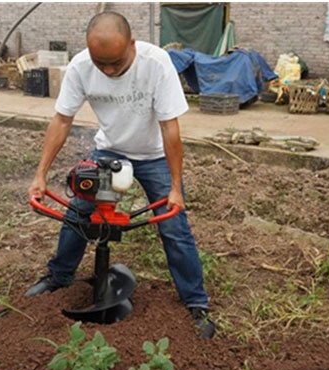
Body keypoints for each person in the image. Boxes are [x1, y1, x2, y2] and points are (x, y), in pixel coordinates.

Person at [26, 11, 215, 338]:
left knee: (173, 225)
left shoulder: (157, 64)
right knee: (79, 212)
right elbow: (62, 120)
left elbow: (170, 128)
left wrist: (174, 188)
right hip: (110, 150)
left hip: (154, 154)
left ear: (132, 43)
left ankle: (196, 302)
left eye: (116, 62)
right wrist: (40, 174)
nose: (109, 71)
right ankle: (58, 276)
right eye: (102, 64)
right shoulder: (81, 67)